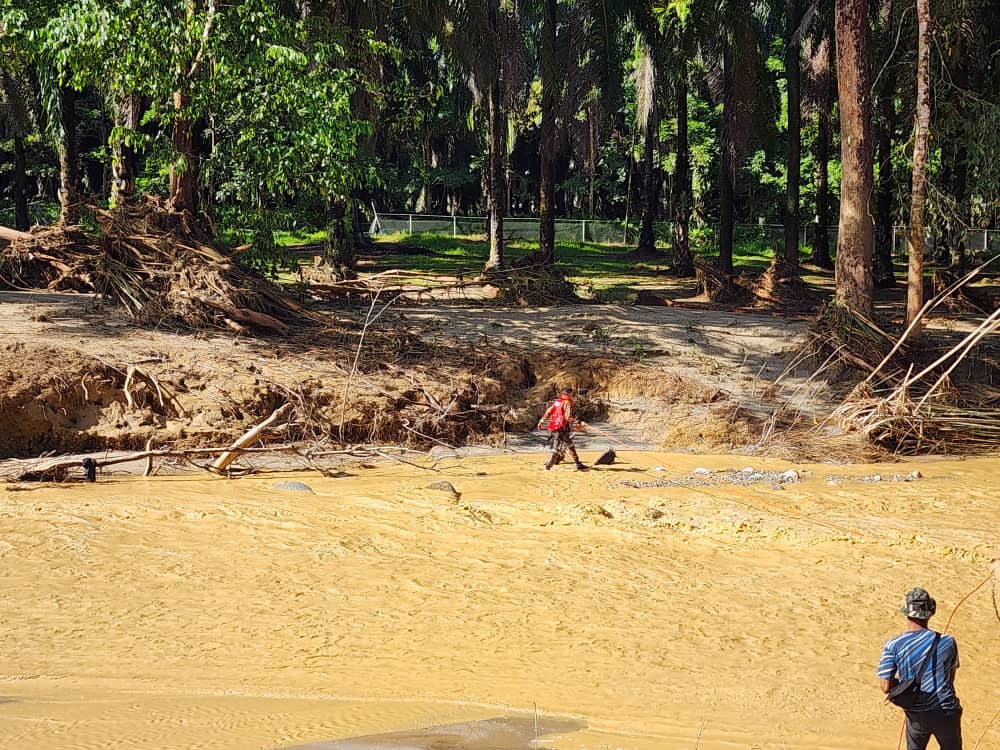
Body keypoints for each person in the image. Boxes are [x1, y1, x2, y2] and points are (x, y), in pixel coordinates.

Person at [877, 587, 962, 750]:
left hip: (916, 713)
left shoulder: (893, 645)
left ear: (906, 613)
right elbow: (950, 680)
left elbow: (885, 686)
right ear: (930, 613)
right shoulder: (948, 641)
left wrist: (904, 686)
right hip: (946, 711)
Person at [537, 386, 588, 471]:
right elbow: (568, 417)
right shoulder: (567, 403)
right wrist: (579, 422)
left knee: (566, 444)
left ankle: (577, 463)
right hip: (561, 427)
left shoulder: (558, 402)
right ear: (569, 394)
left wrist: (542, 420)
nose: (572, 396)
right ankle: (549, 465)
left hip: (554, 426)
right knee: (565, 445)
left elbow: (549, 411)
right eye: (572, 394)